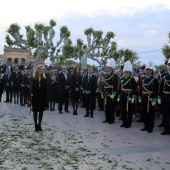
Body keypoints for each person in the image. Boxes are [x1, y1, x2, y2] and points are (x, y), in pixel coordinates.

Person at [139, 61, 159, 133]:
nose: (147, 71)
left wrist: (154, 99)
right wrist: (140, 97)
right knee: (144, 112)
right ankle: (146, 125)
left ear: (152, 71)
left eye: (149, 70)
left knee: (151, 113)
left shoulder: (154, 79)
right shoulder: (144, 79)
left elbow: (155, 90)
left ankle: (150, 127)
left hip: (150, 97)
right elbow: (141, 89)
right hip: (144, 97)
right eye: (146, 70)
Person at [117, 61, 137, 128]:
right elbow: (120, 88)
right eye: (125, 72)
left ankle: (129, 123)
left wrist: (133, 97)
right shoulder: (122, 79)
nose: (126, 73)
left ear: (129, 73)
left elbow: (134, 89)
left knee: (129, 110)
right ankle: (124, 122)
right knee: (123, 110)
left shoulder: (132, 79)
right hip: (123, 95)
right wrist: (119, 96)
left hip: (129, 96)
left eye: (127, 72)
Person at [31, 65, 47, 131]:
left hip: (42, 97)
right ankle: (35, 125)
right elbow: (32, 88)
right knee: (35, 111)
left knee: (41, 111)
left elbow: (46, 88)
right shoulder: (34, 78)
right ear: (37, 70)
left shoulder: (44, 78)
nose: (40, 71)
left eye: (42, 69)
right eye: (39, 69)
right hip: (35, 97)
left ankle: (39, 125)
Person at [102, 58, 118, 124]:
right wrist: (102, 92)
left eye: (108, 67)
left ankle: (112, 119)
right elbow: (104, 85)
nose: (107, 68)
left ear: (111, 68)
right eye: (107, 67)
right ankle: (107, 118)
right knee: (106, 106)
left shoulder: (114, 75)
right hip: (106, 92)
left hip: (111, 92)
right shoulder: (106, 75)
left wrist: (113, 94)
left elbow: (115, 85)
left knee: (111, 106)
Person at [158, 59, 170, 135]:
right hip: (165, 97)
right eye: (169, 65)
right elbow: (161, 87)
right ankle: (166, 129)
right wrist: (159, 96)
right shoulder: (164, 75)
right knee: (165, 114)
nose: (169, 66)